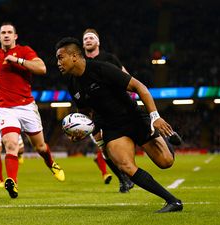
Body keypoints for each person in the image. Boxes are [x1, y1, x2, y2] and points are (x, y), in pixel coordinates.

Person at [55, 37, 183, 213]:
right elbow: (85, 112)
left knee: (166, 162)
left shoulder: (101, 69)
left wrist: (155, 117)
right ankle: (173, 201)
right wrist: (80, 130)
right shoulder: (72, 83)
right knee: (125, 166)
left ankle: (168, 139)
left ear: (75, 56)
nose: (58, 63)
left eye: (61, 57)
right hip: (111, 127)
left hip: (134, 118)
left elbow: (140, 87)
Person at [0, 22, 65, 199]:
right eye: (3, 33)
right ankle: (12, 182)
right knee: (11, 145)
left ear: (15, 36)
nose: (6, 35)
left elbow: (42, 68)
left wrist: (18, 61)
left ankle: (51, 163)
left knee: (40, 147)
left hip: (26, 106)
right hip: (6, 109)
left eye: (9, 32)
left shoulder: (24, 51)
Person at [82, 28, 134, 193]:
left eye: (91, 37)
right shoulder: (81, 63)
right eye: (85, 39)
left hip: (116, 108)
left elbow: (125, 76)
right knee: (103, 149)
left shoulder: (109, 58)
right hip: (95, 112)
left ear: (98, 42)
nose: (88, 40)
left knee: (117, 146)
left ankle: (128, 173)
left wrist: (130, 96)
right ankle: (123, 180)